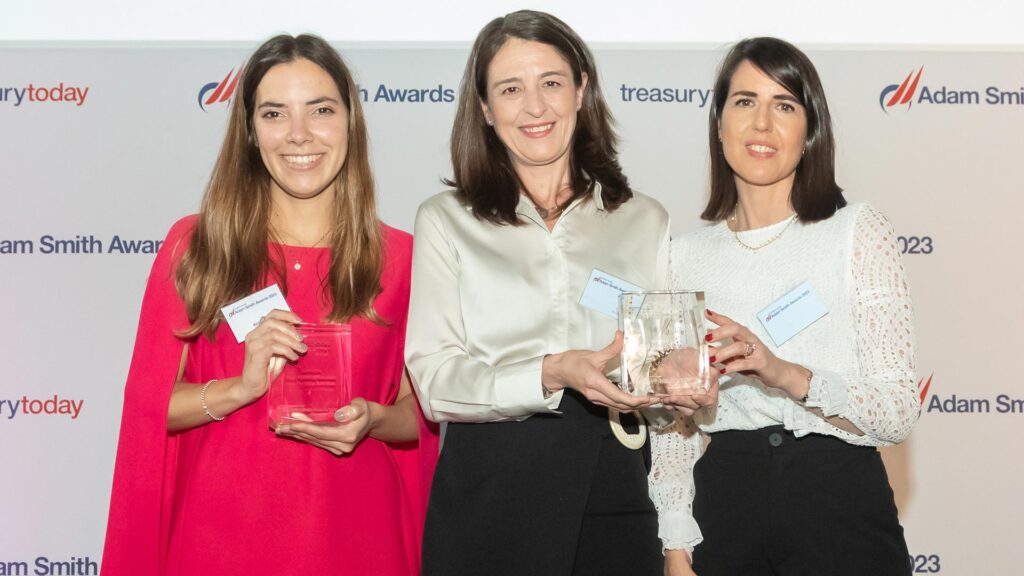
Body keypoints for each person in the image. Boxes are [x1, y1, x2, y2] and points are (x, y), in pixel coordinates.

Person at [100, 34, 437, 576]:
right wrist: (241, 388)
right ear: (251, 133)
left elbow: (419, 419)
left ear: (350, 121)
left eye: (321, 110)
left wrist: (372, 419)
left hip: (360, 541)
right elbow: (151, 407)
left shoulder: (404, 259)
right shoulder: (198, 247)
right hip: (219, 541)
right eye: (275, 113)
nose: (299, 135)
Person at [405, 10, 683, 576]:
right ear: (484, 108)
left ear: (582, 89)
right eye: (511, 89)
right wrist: (550, 371)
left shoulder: (643, 219)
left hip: (616, 484)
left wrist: (679, 383)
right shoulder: (445, 220)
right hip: (490, 492)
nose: (535, 107)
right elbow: (433, 383)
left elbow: (656, 374)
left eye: (551, 83)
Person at [651, 37, 919, 576]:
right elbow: (673, 434)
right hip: (725, 500)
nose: (762, 123)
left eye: (785, 105)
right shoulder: (681, 257)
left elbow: (896, 412)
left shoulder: (855, 232)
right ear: (719, 123)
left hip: (838, 494)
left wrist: (781, 372)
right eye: (745, 102)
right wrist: (676, 545)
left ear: (809, 129)